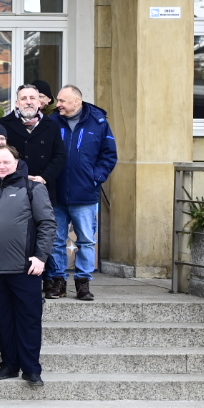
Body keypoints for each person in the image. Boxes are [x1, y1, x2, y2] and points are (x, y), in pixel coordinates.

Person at [0, 145, 57, 386]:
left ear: (16, 163)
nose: (1, 166)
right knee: (3, 320)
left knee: (28, 320)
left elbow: (47, 224)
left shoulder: (33, 188)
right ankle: (9, 364)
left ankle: (31, 368)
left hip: (25, 268)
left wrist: (41, 256)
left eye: (5, 162)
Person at [48, 85, 117, 301]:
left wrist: (95, 178)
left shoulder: (99, 123)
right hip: (56, 193)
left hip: (85, 193)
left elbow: (109, 155)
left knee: (86, 240)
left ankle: (83, 283)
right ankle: (58, 281)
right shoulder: (51, 122)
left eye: (62, 101)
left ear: (77, 101)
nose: (58, 104)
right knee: (56, 240)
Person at [0, 83, 67, 189]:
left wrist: (45, 177)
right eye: (24, 98)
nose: (28, 102)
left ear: (39, 102)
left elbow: (60, 155)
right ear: (17, 103)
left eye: (32, 98)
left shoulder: (52, 125)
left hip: (43, 187)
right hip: (11, 187)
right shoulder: (2, 125)